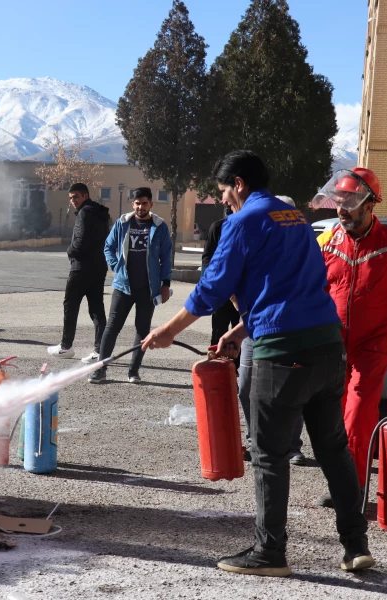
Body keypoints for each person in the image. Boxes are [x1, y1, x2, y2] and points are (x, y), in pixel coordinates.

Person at [142, 150, 372, 577]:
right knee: (334, 451)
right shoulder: (296, 217)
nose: (224, 199)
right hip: (326, 346)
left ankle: (270, 552)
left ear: (240, 184)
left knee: (269, 454)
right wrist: (241, 330)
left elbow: (212, 288)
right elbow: (292, 286)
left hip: (282, 355)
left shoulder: (242, 221)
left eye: (225, 191)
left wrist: (168, 331)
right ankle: (355, 545)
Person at [313, 168, 387, 506]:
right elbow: (307, 290)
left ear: (369, 206)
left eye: (349, 202)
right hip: (332, 344)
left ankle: (353, 489)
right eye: (339, 202)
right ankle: (340, 483)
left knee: (359, 414)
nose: (342, 209)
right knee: (333, 417)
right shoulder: (325, 242)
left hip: (372, 344)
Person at [236, 195, 306, 466]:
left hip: (291, 330)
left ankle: (291, 446)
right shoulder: (254, 244)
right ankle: (256, 440)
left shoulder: (301, 249)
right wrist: (242, 317)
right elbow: (233, 283)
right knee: (246, 386)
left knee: (290, 389)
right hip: (254, 329)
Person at [88, 188, 172, 383]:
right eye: (137, 203)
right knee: (111, 328)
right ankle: (101, 369)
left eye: (144, 203)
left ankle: (133, 371)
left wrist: (165, 283)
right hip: (123, 287)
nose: (140, 207)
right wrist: (116, 265)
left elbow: (166, 257)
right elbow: (108, 246)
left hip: (148, 289)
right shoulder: (123, 223)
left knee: (142, 331)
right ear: (132, 204)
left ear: (151, 204)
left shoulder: (159, 227)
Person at [47, 183, 111, 360]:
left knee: (70, 305)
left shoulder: (84, 213)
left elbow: (81, 240)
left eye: (76, 196)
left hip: (81, 267)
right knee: (97, 308)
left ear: (85, 196)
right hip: (99, 266)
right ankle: (100, 350)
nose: (73, 201)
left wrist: (71, 252)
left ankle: (66, 346)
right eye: (70, 198)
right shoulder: (101, 213)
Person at [202, 210, 240, 346]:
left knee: (240, 335)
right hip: (221, 290)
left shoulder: (252, 228)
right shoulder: (217, 227)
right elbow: (207, 257)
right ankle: (216, 366)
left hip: (243, 292)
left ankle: (237, 367)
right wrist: (219, 279)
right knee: (218, 333)